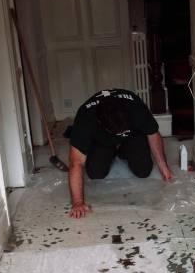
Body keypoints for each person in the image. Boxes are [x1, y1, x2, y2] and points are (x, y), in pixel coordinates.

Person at [68, 88, 173, 218]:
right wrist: (78, 202)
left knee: (143, 171)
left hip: (132, 137)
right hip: (102, 141)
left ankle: (124, 150)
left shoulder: (135, 107)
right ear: (100, 122)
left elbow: (152, 134)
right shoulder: (86, 117)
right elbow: (76, 162)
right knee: (96, 174)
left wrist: (164, 167)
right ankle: (110, 151)